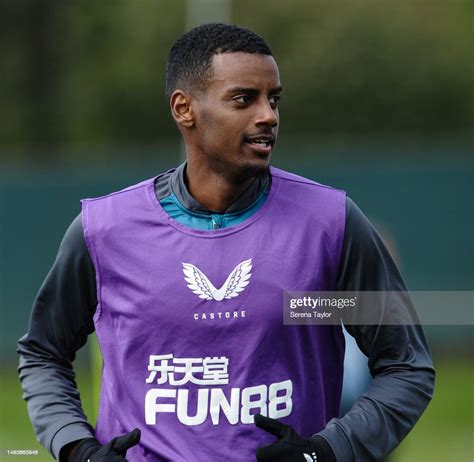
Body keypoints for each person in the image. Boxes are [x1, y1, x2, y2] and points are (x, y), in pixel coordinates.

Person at [17, 23, 435, 462]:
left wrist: (327, 452)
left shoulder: (330, 224)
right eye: (244, 99)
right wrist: (76, 448)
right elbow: (44, 353)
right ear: (185, 109)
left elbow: (406, 366)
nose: (268, 115)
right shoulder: (103, 230)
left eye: (274, 99)